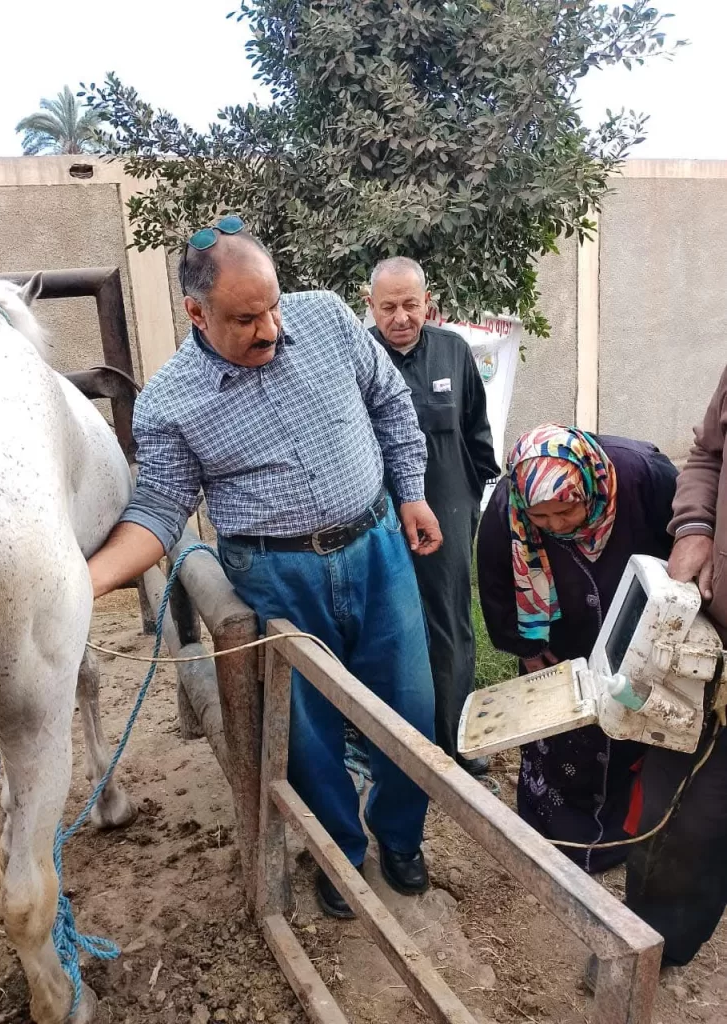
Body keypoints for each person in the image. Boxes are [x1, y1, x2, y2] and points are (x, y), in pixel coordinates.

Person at [86, 218, 443, 919]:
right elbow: (158, 510)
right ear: (196, 312)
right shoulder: (169, 402)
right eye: (247, 318)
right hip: (276, 575)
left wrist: (411, 490)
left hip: (376, 548)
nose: (272, 328)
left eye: (273, 305)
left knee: (411, 709)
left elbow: (389, 401)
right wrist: (85, 584)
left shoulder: (330, 319)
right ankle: (339, 849)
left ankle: (401, 836)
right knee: (303, 731)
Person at [477, 424, 678, 873]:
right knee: (561, 733)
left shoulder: (641, 474)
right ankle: (554, 837)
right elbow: (494, 576)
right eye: (541, 519)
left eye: (566, 511)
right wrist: (526, 645)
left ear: (590, 485)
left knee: (625, 724)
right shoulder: (511, 503)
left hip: (635, 629)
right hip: (560, 635)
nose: (556, 527)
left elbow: (684, 538)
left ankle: (615, 840)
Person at [367, 257, 499, 777]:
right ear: (370, 307)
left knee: (450, 625)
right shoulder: (359, 358)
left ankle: (457, 739)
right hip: (377, 513)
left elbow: (477, 432)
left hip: (447, 504)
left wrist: (465, 494)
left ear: (428, 304)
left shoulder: (454, 351)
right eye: (388, 306)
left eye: (410, 305)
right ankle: (401, 744)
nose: (400, 317)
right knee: (392, 626)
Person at [621, 365, 727, 968]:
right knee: (673, 812)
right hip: (709, 647)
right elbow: (708, 455)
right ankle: (655, 947)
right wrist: (694, 527)